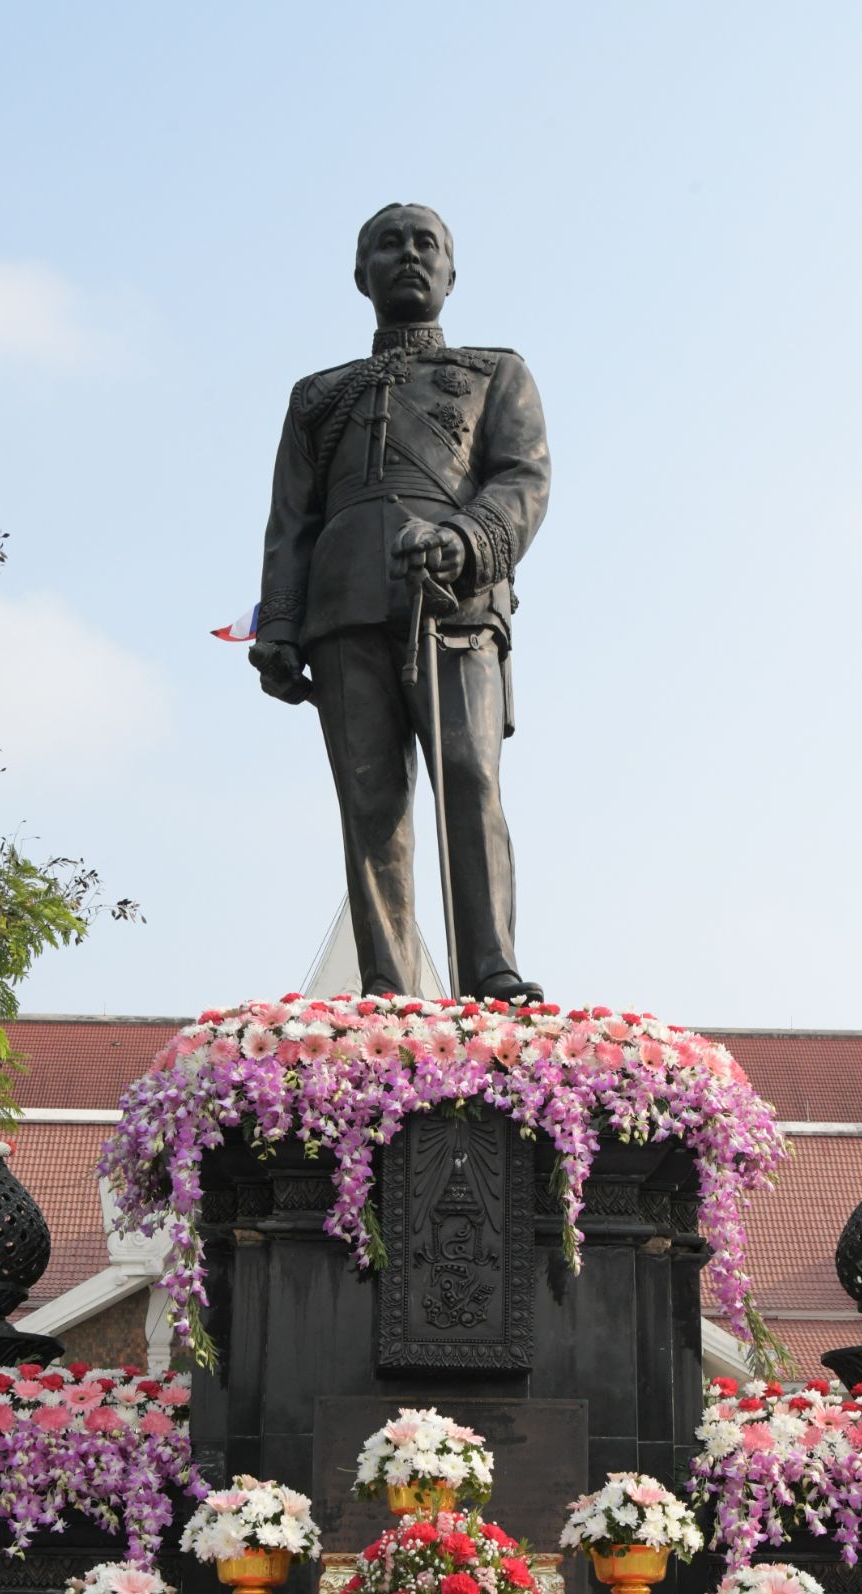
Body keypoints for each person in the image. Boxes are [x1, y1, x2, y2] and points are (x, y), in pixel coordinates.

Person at [252, 203, 549, 1002]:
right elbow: (292, 519)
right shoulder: (318, 396)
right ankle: (387, 987)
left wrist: (465, 538)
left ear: (452, 274)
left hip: (454, 597)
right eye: (390, 244)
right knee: (370, 799)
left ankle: (490, 971)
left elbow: (523, 479)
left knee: (468, 773)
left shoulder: (497, 375)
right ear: (362, 275)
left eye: (428, 245)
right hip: (342, 606)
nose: (410, 255)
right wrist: (278, 622)